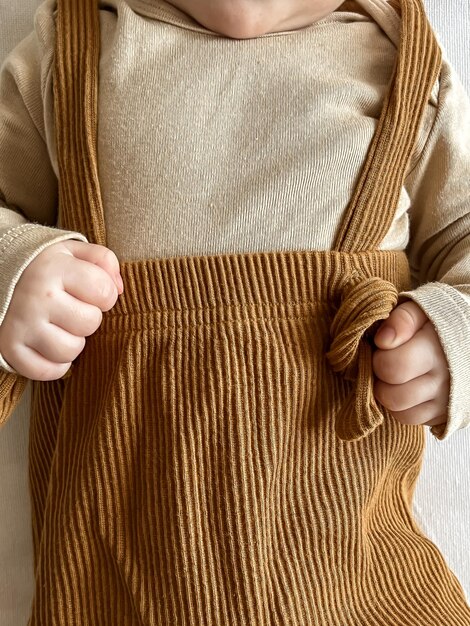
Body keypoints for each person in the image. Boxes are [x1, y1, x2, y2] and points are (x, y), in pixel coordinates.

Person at [0, 0, 469, 623]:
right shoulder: (72, 46)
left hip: (356, 588)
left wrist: (453, 336)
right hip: (115, 588)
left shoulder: (403, 65)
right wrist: (15, 271)